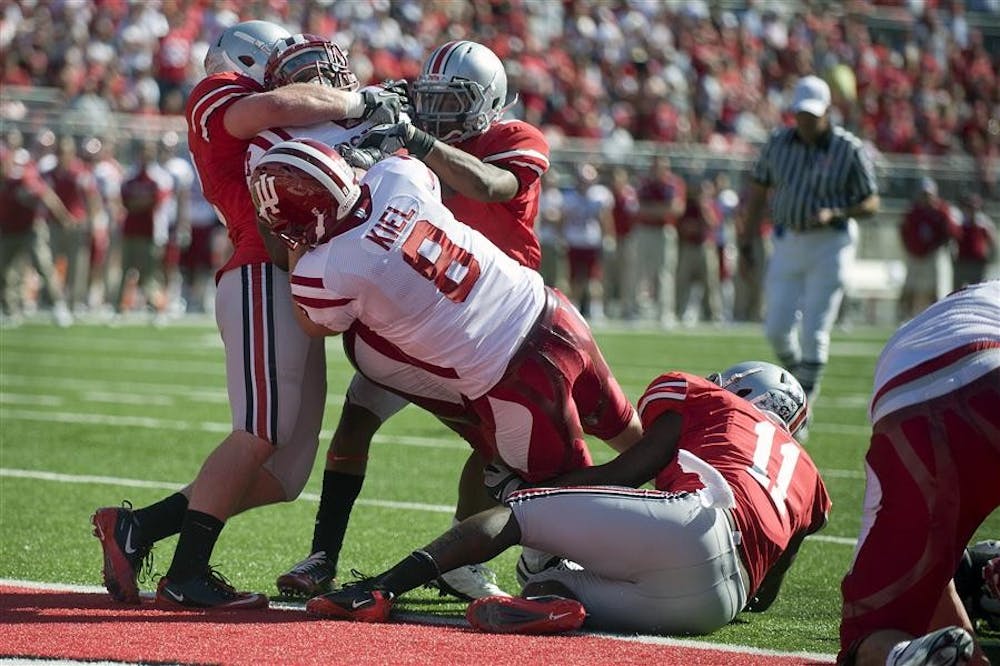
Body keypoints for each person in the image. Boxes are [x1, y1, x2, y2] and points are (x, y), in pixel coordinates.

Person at [90, 20, 407, 610]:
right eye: (286, 60)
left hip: (298, 282)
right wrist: (361, 100)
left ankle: (140, 529)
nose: (305, 74)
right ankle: (186, 576)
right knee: (258, 431)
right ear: (251, 60)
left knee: (286, 474)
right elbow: (273, 105)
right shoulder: (221, 92)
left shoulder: (283, 113)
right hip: (262, 272)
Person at [251, 139, 642, 603]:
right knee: (631, 433)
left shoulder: (329, 268)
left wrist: (298, 242)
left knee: (567, 492)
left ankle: (558, 560)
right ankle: (715, 510)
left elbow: (311, 323)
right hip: (550, 311)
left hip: (513, 375)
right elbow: (397, 170)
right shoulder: (399, 177)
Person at [276, 39, 554, 601]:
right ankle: (322, 556)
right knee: (355, 424)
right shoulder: (404, 137)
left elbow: (489, 185)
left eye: (454, 102)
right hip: (411, 311)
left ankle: (474, 557)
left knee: (503, 446)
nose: (438, 112)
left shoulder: (514, 138)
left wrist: (415, 139)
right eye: (432, 100)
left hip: (491, 321)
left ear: (489, 103)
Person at [304, 359, 829, 639]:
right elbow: (765, 596)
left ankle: (379, 589)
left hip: (700, 521)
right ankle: (549, 608)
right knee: (546, 580)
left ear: (740, 388)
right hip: (713, 605)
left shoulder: (714, 402)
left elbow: (626, 473)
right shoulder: (810, 479)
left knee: (517, 515)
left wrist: (533, 490)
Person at [838, 279, 999, 666]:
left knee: (871, 638)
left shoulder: (945, 318)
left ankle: (897, 657)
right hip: (954, 379)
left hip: (906, 412)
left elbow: (931, 585)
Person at [739, 74, 879, 432]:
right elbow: (758, 190)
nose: (805, 121)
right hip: (788, 239)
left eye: (812, 115)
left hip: (831, 242)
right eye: (800, 114)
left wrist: (838, 212)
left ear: (827, 112)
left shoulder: (847, 147)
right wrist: (746, 238)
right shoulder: (778, 143)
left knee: (815, 328)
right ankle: (800, 390)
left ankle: (799, 416)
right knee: (776, 328)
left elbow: (871, 200)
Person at [0, 132, 75, 327]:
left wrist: (62, 216)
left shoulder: (24, 174)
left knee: (43, 265)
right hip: (7, 228)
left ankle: (58, 306)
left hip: (30, 228)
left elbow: (45, 195)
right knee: (5, 271)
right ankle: (9, 309)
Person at [114, 140, 174, 320]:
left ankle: (157, 308)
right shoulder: (130, 175)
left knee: (151, 274)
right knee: (125, 271)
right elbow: (125, 201)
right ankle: (118, 307)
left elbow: (155, 202)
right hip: (130, 230)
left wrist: (139, 202)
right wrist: (142, 202)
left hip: (151, 232)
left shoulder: (160, 177)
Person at [626, 155, 685, 326]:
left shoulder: (673, 184)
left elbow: (676, 209)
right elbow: (636, 208)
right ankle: (634, 310)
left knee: (665, 273)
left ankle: (665, 313)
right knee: (638, 271)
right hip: (644, 230)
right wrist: (660, 210)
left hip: (663, 231)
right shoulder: (644, 184)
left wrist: (652, 210)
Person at [897, 176, 960, 321]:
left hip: (934, 254)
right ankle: (905, 317)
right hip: (915, 255)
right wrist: (909, 248)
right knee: (911, 287)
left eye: (929, 194)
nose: (926, 198)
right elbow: (903, 231)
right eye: (923, 194)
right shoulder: (913, 212)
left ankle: (938, 318)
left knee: (937, 288)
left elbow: (953, 232)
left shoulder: (943, 210)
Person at [560, 162, 614, 321]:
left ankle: (596, 310)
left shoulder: (600, 196)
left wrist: (609, 237)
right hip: (574, 240)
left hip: (592, 241)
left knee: (594, 278)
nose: (585, 184)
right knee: (574, 279)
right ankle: (574, 309)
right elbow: (564, 219)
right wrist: (561, 237)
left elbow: (605, 218)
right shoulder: (569, 197)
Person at [953, 192, 996, 289]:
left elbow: (992, 241)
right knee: (958, 291)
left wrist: (990, 258)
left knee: (977, 290)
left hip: (978, 263)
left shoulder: (983, 222)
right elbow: (954, 238)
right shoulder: (960, 221)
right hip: (962, 262)